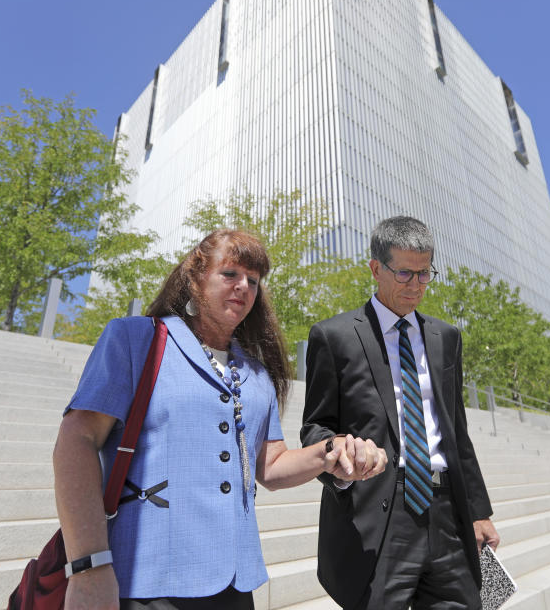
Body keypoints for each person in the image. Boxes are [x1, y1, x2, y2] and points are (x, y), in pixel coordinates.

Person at [53, 229, 387, 610]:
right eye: (230, 274)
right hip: (143, 580)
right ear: (195, 279)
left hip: (234, 583)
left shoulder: (258, 374)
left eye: (254, 280)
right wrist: (89, 566)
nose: (243, 286)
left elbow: (272, 466)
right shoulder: (134, 339)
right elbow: (76, 440)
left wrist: (331, 449)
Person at [301, 216, 500, 609]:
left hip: (447, 512)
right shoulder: (334, 336)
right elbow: (315, 428)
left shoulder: (446, 338)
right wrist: (341, 457)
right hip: (379, 510)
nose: (416, 286)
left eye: (425, 274)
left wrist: (479, 511)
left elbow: (456, 431)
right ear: (376, 268)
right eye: (405, 273)